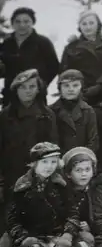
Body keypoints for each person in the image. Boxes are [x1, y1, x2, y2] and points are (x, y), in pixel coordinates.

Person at [2, 142, 79, 247]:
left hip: (57, 237)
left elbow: (73, 213)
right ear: (34, 163)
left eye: (53, 162)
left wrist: (68, 234)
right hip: (29, 237)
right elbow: (11, 219)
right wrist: (24, 238)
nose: (49, 166)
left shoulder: (62, 185)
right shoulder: (21, 187)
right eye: (44, 162)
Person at [0, 69, 58, 205]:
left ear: (38, 89)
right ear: (16, 90)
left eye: (32, 86)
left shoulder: (47, 114)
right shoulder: (5, 116)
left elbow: (53, 146)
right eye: (23, 87)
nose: (28, 91)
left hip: (39, 173)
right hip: (12, 174)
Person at [0, 7, 59, 106]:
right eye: (17, 21)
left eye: (26, 21)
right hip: (10, 96)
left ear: (33, 22)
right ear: (12, 24)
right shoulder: (7, 43)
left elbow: (54, 67)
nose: (22, 25)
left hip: (35, 96)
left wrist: (41, 85)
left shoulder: (43, 42)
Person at [60, 9, 102, 105]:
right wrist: (76, 87)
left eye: (91, 23)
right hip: (79, 94)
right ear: (79, 26)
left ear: (98, 24)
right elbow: (64, 71)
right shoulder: (71, 47)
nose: (88, 27)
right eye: (84, 24)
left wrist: (99, 86)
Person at [61, 146, 100, 247]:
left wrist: (90, 225)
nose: (84, 174)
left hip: (86, 233)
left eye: (87, 170)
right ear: (69, 174)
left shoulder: (95, 191)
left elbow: (99, 214)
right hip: (66, 232)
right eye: (78, 170)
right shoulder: (64, 191)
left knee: (88, 245)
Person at [50, 69, 99, 154]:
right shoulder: (51, 111)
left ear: (81, 87)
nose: (71, 89)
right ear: (60, 88)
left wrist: (82, 158)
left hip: (82, 160)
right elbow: (50, 142)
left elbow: (93, 141)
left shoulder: (88, 111)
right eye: (66, 86)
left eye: (75, 85)